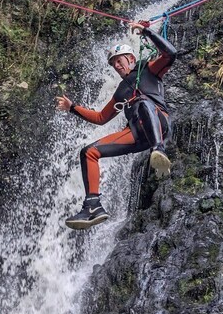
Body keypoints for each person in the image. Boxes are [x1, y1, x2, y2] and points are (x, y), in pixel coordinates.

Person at [55, 20, 176, 230]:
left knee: (142, 102)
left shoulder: (147, 69)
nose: (117, 66)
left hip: (159, 122)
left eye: (119, 61)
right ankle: (92, 205)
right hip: (137, 134)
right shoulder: (121, 91)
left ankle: (159, 150)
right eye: (113, 64)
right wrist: (72, 107)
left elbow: (170, 54)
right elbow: (101, 117)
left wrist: (146, 31)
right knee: (89, 152)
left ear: (130, 58)